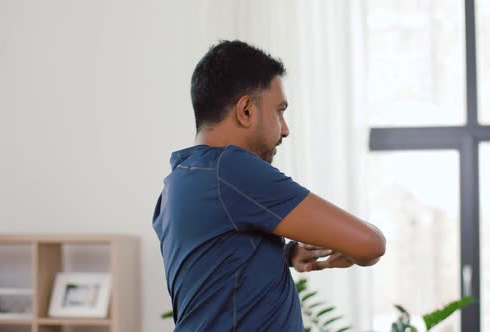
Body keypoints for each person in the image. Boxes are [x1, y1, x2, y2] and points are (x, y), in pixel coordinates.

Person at [152, 40, 386, 331]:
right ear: (246, 110)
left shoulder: (180, 181)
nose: (285, 129)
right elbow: (370, 244)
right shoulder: (231, 169)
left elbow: (218, 269)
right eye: (279, 111)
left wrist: (285, 254)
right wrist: (349, 246)